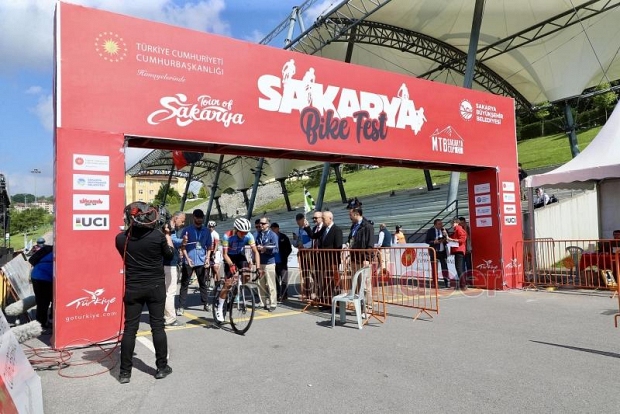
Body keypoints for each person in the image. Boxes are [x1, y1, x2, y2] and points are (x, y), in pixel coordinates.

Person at [115, 202, 174, 384]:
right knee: (157, 327)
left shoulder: (120, 239)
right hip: (155, 288)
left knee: (130, 329)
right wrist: (167, 234)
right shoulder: (158, 236)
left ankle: (125, 373)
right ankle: (161, 367)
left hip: (133, 288)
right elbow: (170, 255)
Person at [219, 218, 262, 321]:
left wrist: (258, 268)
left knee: (247, 275)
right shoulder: (227, 236)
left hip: (239, 255)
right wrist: (231, 265)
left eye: (246, 232)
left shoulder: (249, 236)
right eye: (242, 232)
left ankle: (236, 290)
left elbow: (255, 252)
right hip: (229, 256)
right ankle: (219, 307)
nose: (244, 235)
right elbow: (224, 254)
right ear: (236, 230)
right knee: (228, 283)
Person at [177, 209, 213, 316]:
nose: (200, 220)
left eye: (201, 218)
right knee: (184, 284)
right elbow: (182, 246)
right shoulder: (186, 230)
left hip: (201, 261)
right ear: (193, 218)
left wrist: (207, 258)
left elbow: (209, 247)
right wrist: (187, 259)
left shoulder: (206, 231)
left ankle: (206, 304)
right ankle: (181, 306)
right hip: (189, 261)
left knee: (203, 283)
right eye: (198, 218)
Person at [347, 207, 374, 309]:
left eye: (350, 215)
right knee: (357, 283)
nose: (349, 217)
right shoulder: (354, 226)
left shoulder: (368, 226)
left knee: (365, 284)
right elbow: (352, 239)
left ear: (356, 214)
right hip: (354, 258)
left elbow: (370, 244)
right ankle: (360, 305)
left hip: (363, 259)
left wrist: (367, 258)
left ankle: (368, 306)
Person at [163, 211, 185, 327]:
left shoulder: (168, 227)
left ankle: (165, 315)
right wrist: (183, 241)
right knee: (170, 292)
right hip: (169, 264)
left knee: (165, 291)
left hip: (164, 263)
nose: (183, 223)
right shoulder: (169, 228)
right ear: (175, 218)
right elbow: (173, 241)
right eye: (182, 220)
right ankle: (170, 318)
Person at [318, 211, 344, 301]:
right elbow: (315, 236)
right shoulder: (324, 229)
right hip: (324, 261)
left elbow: (338, 246)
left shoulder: (336, 230)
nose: (322, 220)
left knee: (334, 282)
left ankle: (337, 303)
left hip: (333, 261)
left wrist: (334, 260)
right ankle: (328, 301)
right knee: (326, 282)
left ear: (330, 218)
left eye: (324, 218)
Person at [29, 242, 53, 333]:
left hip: (36, 276)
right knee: (50, 300)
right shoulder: (59, 252)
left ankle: (40, 324)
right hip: (46, 278)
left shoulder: (47, 249)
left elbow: (32, 260)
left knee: (41, 301)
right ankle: (48, 321)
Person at [255, 217, 279, 311]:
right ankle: (262, 302)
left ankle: (273, 303)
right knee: (260, 284)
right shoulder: (259, 234)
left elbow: (276, 249)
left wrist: (265, 249)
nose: (261, 225)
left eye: (263, 223)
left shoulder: (273, 235)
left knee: (271, 284)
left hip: (269, 262)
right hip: (260, 262)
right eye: (260, 223)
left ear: (268, 224)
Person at [270, 223, 292, 303]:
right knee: (275, 279)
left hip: (282, 261)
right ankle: (278, 294)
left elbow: (289, 248)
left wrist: (285, 255)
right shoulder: (270, 238)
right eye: (272, 228)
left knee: (284, 279)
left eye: (274, 228)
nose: (273, 230)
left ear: (278, 228)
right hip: (273, 262)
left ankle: (284, 295)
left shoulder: (283, 237)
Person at [425, 219, 450, 288]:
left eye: (441, 224)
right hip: (434, 252)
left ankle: (446, 282)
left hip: (442, 252)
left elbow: (448, 240)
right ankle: (435, 284)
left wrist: (445, 237)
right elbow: (427, 241)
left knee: (444, 268)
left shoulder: (444, 230)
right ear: (435, 225)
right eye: (439, 224)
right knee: (434, 268)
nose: (441, 225)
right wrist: (434, 242)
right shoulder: (430, 231)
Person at [447, 217, 468, 290]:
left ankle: (463, 285)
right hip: (458, 250)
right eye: (451, 224)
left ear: (456, 223)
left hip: (459, 250)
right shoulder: (457, 230)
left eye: (453, 223)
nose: (452, 225)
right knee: (459, 268)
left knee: (459, 268)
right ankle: (462, 284)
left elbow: (462, 239)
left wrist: (452, 239)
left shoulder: (459, 229)